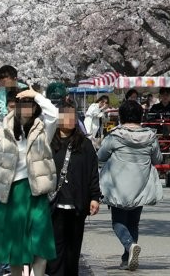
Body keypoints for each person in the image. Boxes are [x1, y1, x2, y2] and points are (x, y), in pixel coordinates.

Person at [0, 88, 59, 276]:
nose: (27, 108)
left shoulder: (43, 128)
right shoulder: (5, 128)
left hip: (36, 191)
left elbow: (54, 115)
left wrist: (36, 96)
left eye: (30, 105)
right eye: (23, 104)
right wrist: (1, 185)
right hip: (13, 191)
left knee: (40, 242)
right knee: (14, 245)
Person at [97, 100, 163, 271]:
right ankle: (127, 259)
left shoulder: (115, 136)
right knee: (133, 223)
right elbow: (158, 159)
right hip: (140, 186)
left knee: (118, 222)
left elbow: (101, 156)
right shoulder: (150, 137)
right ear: (141, 116)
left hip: (118, 186)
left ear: (121, 116)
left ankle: (129, 246)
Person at [49, 100, 101, 276]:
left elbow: (93, 171)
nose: (70, 120)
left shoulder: (84, 144)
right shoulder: (49, 142)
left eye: (73, 116)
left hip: (77, 203)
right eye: (66, 116)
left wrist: (95, 197)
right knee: (56, 248)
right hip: (54, 204)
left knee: (73, 250)